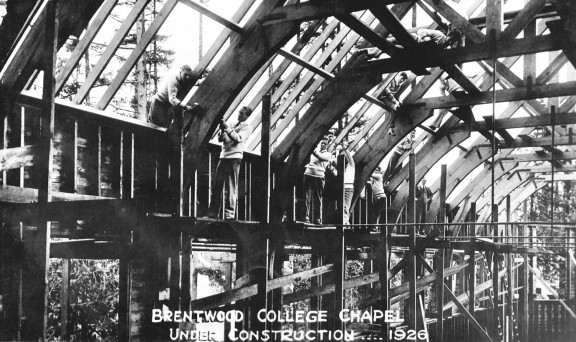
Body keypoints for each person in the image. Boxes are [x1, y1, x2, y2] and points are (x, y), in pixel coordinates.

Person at [148, 65, 201, 197]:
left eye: (189, 75)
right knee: (159, 129)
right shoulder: (174, 81)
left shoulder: (185, 81)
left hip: (166, 108)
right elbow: (172, 99)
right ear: (180, 72)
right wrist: (186, 107)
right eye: (185, 74)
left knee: (167, 132)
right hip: (159, 105)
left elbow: (195, 83)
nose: (187, 77)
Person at [208, 106, 253, 220]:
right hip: (223, 157)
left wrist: (226, 127)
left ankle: (229, 215)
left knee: (231, 186)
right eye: (239, 112)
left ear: (247, 116)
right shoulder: (232, 124)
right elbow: (221, 139)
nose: (239, 114)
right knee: (217, 185)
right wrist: (222, 130)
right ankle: (213, 213)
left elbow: (238, 138)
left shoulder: (247, 127)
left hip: (234, 158)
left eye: (242, 113)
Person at [303, 139, 332, 224]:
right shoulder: (314, 151)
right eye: (322, 143)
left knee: (318, 198)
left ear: (328, 145)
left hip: (319, 177)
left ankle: (317, 219)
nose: (323, 145)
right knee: (306, 197)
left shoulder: (328, 155)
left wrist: (312, 149)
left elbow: (320, 157)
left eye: (325, 143)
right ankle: (306, 217)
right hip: (308, 175)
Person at [378, 72, 408, 137]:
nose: (402, 81)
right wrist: (395, 101)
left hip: (389, 99)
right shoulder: (392, 80)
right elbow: (387, 91)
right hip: (383, 97)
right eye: (402, 79)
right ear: (399, 76)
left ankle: (390, 128)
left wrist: (400, 101)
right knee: (395, 107)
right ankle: (390, 128)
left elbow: (396, 94)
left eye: (403, 80)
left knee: (396, 109)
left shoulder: (398, 86)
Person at [341, 145, 355, 226]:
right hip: (342, 187)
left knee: (346, 206)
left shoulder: (351, 167)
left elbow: (351, 159)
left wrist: (345, 149)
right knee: (343, 206)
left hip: (348, 188)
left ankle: (346, 222)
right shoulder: (342, 169)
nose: (346, 159)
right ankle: (344, 221)